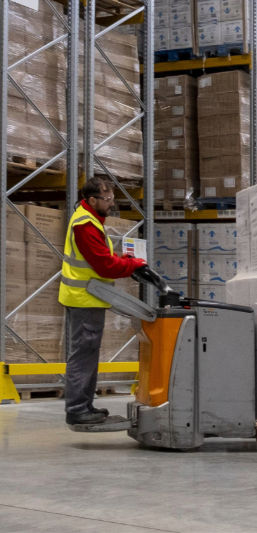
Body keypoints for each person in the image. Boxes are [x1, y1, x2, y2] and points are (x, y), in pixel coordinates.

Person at [58, 177, 146, 427]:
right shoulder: (85, 224)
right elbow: (104, 266)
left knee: (88, 353)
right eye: (107, 200)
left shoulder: (91, 220)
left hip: (88, 297)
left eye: (112, 199)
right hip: (84, 298)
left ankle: (85, 405)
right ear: (92, 200)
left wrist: (124, 259)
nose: (111, 204)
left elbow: (102, 256)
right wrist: (133, 265)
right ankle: (77, 409)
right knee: (84, 355)